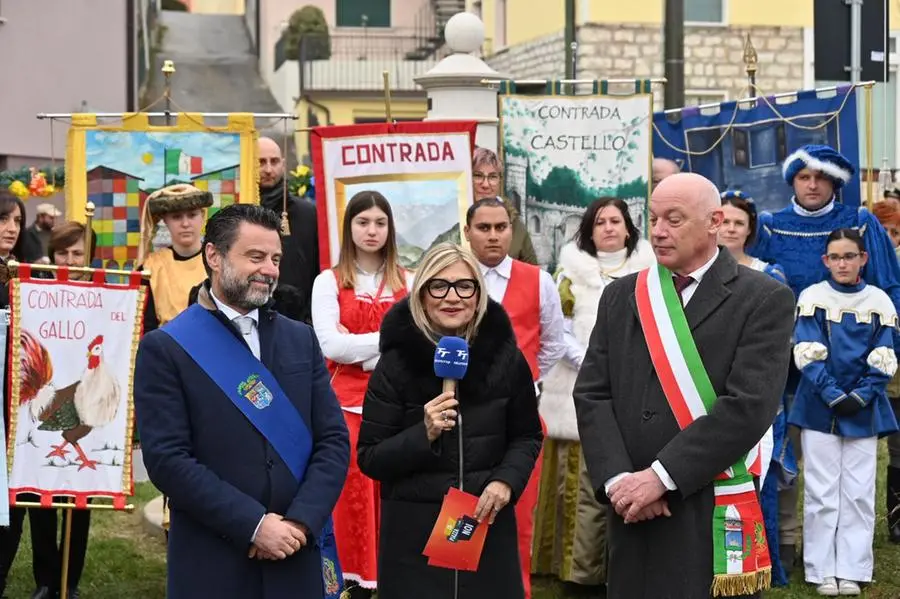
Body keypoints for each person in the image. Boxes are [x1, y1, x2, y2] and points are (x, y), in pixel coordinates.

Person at [574, 173, 796, 599]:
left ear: (714, 221)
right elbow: (592, 393)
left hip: (705, 502)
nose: (657, 231)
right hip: (632, 508)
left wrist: (662, 477)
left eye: (674, 220)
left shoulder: (764, 298)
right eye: (653, 218)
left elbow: (749, 406)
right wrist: (621, 480)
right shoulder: (622, 296)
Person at [134, 204, 350, 599]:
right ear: (214, 256)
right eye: (255, 256)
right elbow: (168, 460)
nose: (269, 269)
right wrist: (254, 525)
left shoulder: (300, 339)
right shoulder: (166, 348)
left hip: (295, 552)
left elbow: (333, 441)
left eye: (275, 258)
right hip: (214, 559)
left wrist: (299, 524)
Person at [357, 242, 544, 599]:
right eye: (438, 286)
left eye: (464, 285)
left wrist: (505, 481)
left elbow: (527, 436)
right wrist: (423, 434)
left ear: (478, 293)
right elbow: (370, 457)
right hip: (416, 537)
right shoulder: (396, 364)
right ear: (423, 293)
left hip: (485, 525)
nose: (452, 297)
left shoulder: (506, 358)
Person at [749, 143, 900, 575]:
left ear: (834, 182)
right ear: (792, 181)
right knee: (780, 453)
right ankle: (788, 544)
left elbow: (890, 288)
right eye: (803, 177)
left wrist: (884, 354)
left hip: (848, 365)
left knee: (845, 467)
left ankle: (846, 558)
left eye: (821, 177)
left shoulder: (859, 222)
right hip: (780, 357)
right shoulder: (774, 226)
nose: (812, 184)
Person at [532, 197, 654, 592]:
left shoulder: (651, 272)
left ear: (628, 227)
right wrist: (591, 361)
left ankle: (622, 567)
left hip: (636, 387)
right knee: (577, 481)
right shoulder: (567, 273)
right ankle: (574, 571)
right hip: (576, 386)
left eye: (615, 220)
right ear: (588, 229)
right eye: (599, 221)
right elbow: (556, 328)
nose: (608, 228)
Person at [463, 197, 565, 599]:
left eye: (500, 227)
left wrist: (523, 382)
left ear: (512, 230)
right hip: (463, 415)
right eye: (483, 228)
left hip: (519, 420)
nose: (493, 235)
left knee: (519, 516)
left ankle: (515, 591)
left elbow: (554, 343)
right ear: (467, 231)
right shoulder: (452, 277)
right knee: (462, 508)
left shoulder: (538, 280)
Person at [310, 191, 411, 597]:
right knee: (351, 496)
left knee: (395, 493)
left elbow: (421, 337)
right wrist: (388, 343)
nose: (372, 230)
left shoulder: (410, 280)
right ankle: (347, 580)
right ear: (349, 227)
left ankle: (395, 576)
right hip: (346, 407)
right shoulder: (327, 281)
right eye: (363, 222)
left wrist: (364, 349)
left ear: (390, 229)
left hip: (401, 406)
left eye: (380, 223)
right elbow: (331, 346)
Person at [788, 228, 899, 596]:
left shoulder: (879, 300)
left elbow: (885, 353)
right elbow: (808, 349)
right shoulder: (813, 297)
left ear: (863, 258)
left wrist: (863, 394)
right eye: (835, 257)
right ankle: (821, 569)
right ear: (825, 261)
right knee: (821, 490)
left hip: (863, 408)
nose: (842, 263)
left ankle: (852, 568)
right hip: (820, 406)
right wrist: (834, 394)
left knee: (858, 490)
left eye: (849, 256)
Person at [719, 190, 797, 587]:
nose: (731, 229)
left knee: (756, 477)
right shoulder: (693, 272)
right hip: (708, 390)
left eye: (739, 223)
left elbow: (780, 343)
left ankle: (763, 564)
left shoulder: (770, 274)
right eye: (725, 221)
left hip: (756, 395)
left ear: (750, 231)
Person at [21, 222, 97, 599]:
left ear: (90, 256)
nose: (70, 260)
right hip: (48, 399)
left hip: (84, 401)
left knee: (79, 500)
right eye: (63, 253)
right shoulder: (37, 293)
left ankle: (71, 579)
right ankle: (46, 579)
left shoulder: (106, 295)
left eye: (78, 253)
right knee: (41, 499)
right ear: (52, 256)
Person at [0, 189, 33, 597]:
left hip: (17, 406)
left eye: (17, 221)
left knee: (13, 500)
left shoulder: (24, 275)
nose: (10, 228)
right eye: (4, 219)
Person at [258, 136, 319, 323]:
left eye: (274, 161)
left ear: (283, 164)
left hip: (299, 319)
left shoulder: (307, 212)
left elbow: (318, 268)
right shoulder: (238, 213)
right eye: (261, 162)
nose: (268, 169)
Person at [138, 183, 212, 333]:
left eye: (192, 215)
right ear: (165, 220)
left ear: (203, 216)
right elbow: (146, 325)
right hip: (165, 349)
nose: (185, 224)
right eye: (176, 217)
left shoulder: (218, 263)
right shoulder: (150, 268)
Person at [871, 201, 900, 543]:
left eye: (896, 232)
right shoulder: (866, 266)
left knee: (899, 448)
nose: (891, 239)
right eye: (885, 232)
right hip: (872, 372)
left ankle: (895, 516)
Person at [472, 147, 539, 265]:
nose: (485, 184)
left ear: (500, 181)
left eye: (492, 177)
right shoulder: (454, 219)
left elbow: (532, 274)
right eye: (478, 176)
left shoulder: (515, 223)